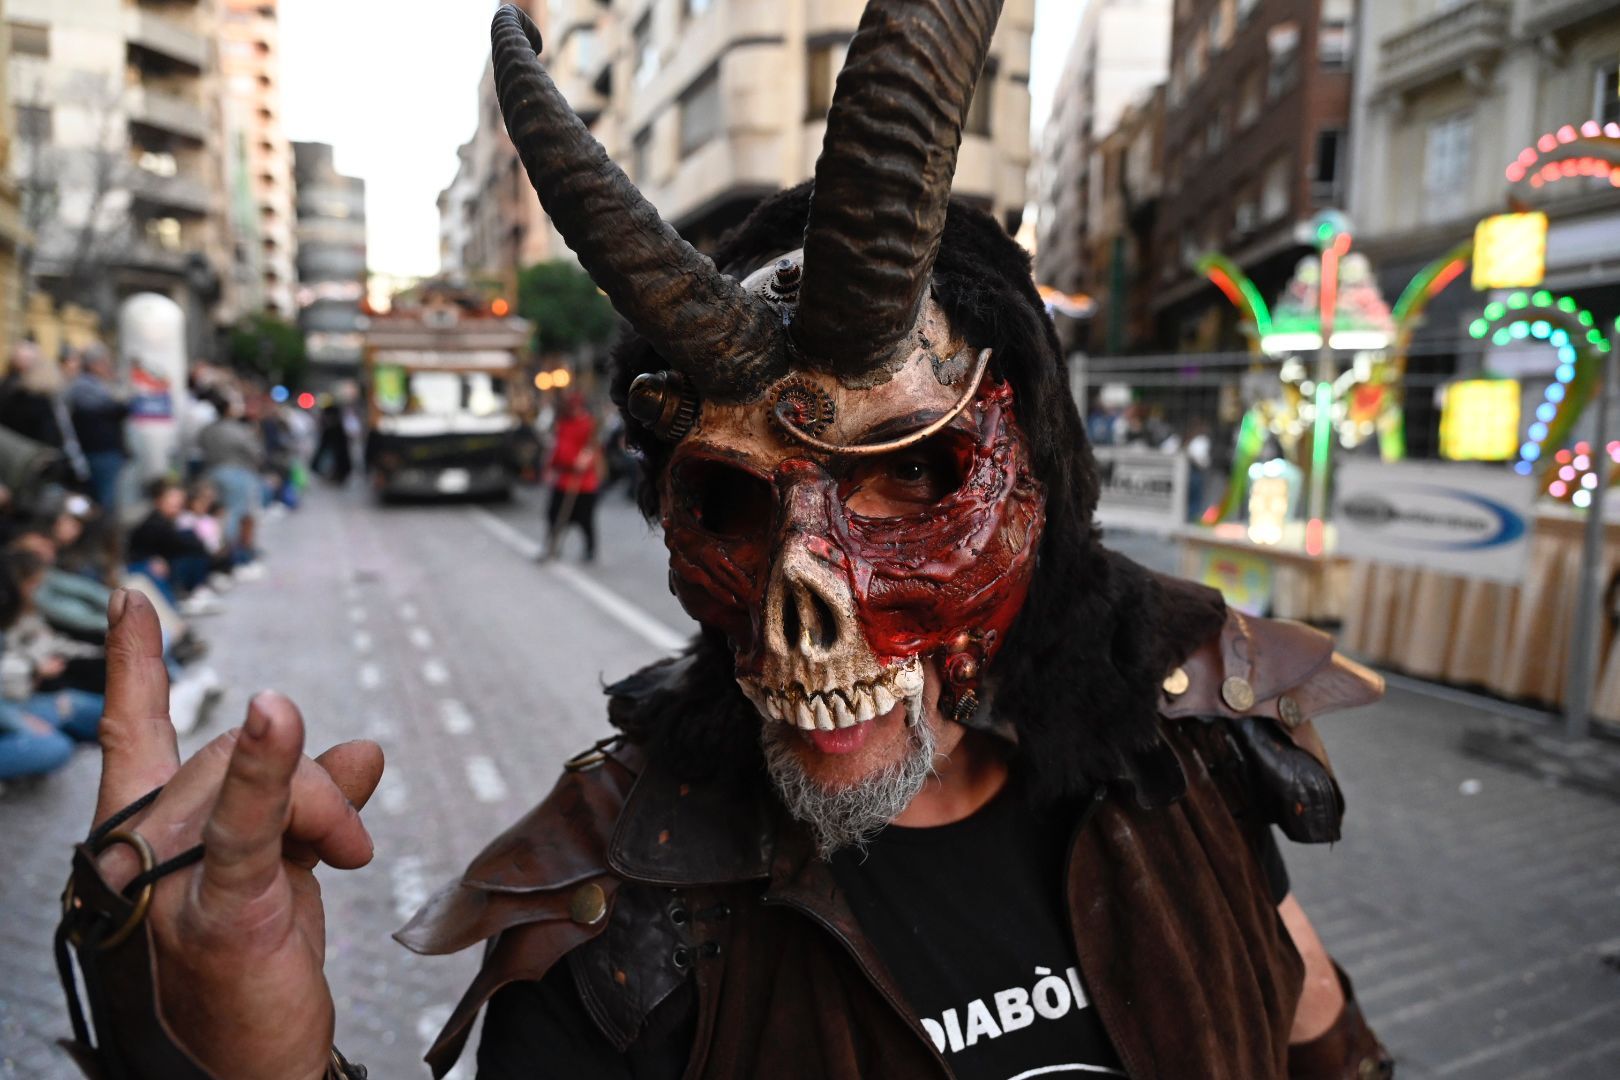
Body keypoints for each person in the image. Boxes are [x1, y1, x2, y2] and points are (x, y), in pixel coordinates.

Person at [54, 5, 1392, 1080]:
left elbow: (1307, 1018)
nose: (804, 602)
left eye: (909, 479)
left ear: (1040, 478)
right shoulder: (621, 914)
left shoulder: (1175, 735)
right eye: (736, 505)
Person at [197, 394, 265, 575]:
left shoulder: (208, 429)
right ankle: (229, 556)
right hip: (237, 474)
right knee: (235, 514)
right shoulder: (239, 430)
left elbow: (200, 445)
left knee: (218, 514)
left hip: (211, 472)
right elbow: (255, 452)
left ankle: (219, 551)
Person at [68, 346, 131, 516]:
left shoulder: (97, 384)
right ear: (95, 364)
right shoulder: (84, 386)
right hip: (100, 450)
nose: (109, 367)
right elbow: (114, 408)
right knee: (105, 498)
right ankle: (102, 534)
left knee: (105, 495)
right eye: (105, 363)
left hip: (105, 448)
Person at [543, 392, 602, 560]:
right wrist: (551, 467)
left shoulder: (589, 424)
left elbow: (593, 448)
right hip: (564, 479)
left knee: (585, 519)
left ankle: (590, 550)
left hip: (583, 482)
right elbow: (557, 448)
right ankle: (552, 547)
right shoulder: (562, 424)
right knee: (554, 515)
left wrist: (586, 459)